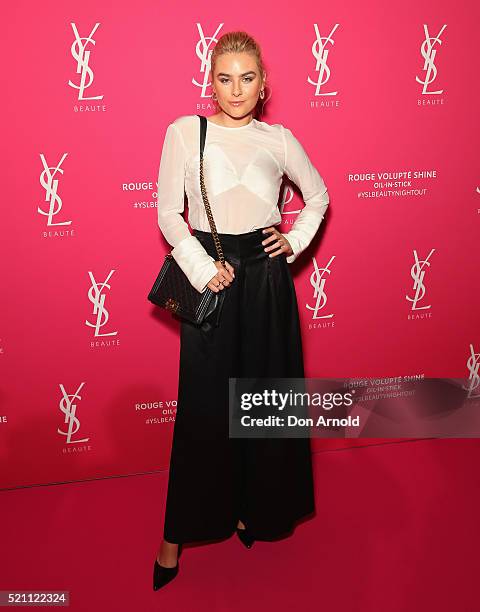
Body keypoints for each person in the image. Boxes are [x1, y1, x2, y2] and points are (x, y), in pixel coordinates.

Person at [153, 30, 330, 590]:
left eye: (247, 78)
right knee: (206, 406)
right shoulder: (185, 132)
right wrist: (205, 271)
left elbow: (319, 195)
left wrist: (294, 241)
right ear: (211, 82)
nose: (236, 89)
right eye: (225, 78)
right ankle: (173, 537)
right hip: (214, 270)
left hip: (266, 278)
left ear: (264, 84)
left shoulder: (278, 139)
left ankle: (256, 509)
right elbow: (167, 214)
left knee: (263, 399)